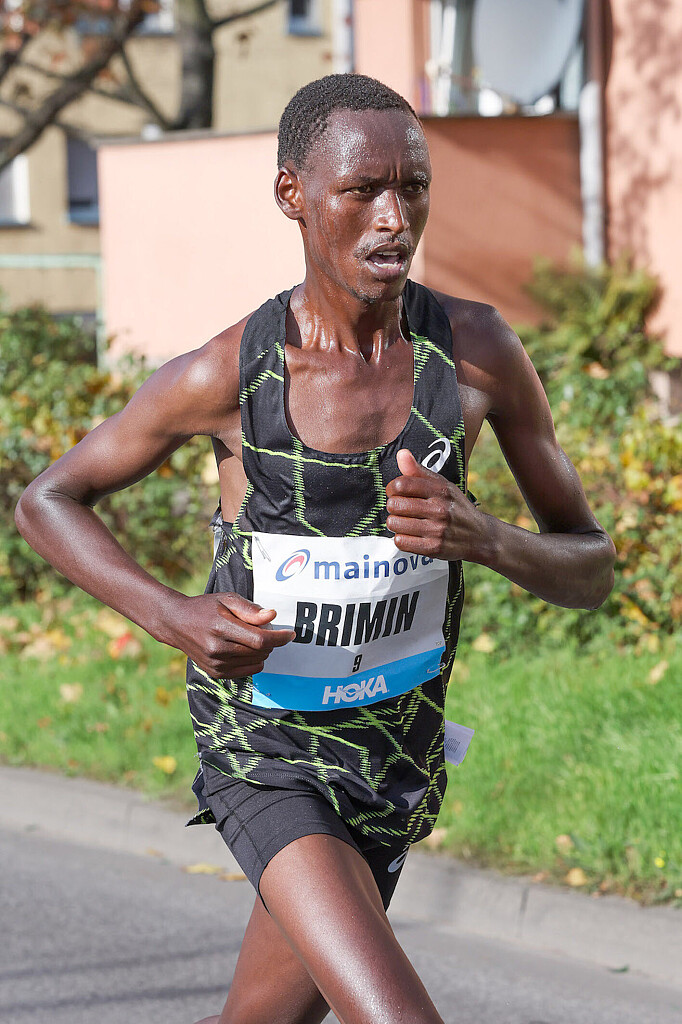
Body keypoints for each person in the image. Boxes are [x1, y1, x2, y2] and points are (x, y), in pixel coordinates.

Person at [15, 73, 616, 1024]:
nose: (394, 219)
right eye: (362, 191)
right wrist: (174, 617)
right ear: (293, 195)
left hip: (395, 754)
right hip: (266, 748)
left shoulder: (475, 354)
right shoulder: (229, 372)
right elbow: (48, 500)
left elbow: (591, 566)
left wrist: (487, 537)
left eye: (413, 188)